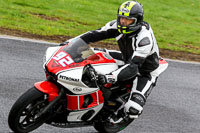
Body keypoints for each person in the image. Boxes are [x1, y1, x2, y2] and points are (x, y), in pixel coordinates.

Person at [62, 1, 160, 123]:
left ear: (137, 21)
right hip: (125, 58)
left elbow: (133, 67)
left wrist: (110, 77)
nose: (123, 22)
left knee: (133, 109)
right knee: (88, 54)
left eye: (128, 20)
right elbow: (93, 35)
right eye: (121, 18)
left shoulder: (144, 39)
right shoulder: (116, 26)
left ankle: (117, 119)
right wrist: (71, 43)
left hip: (144, 71)